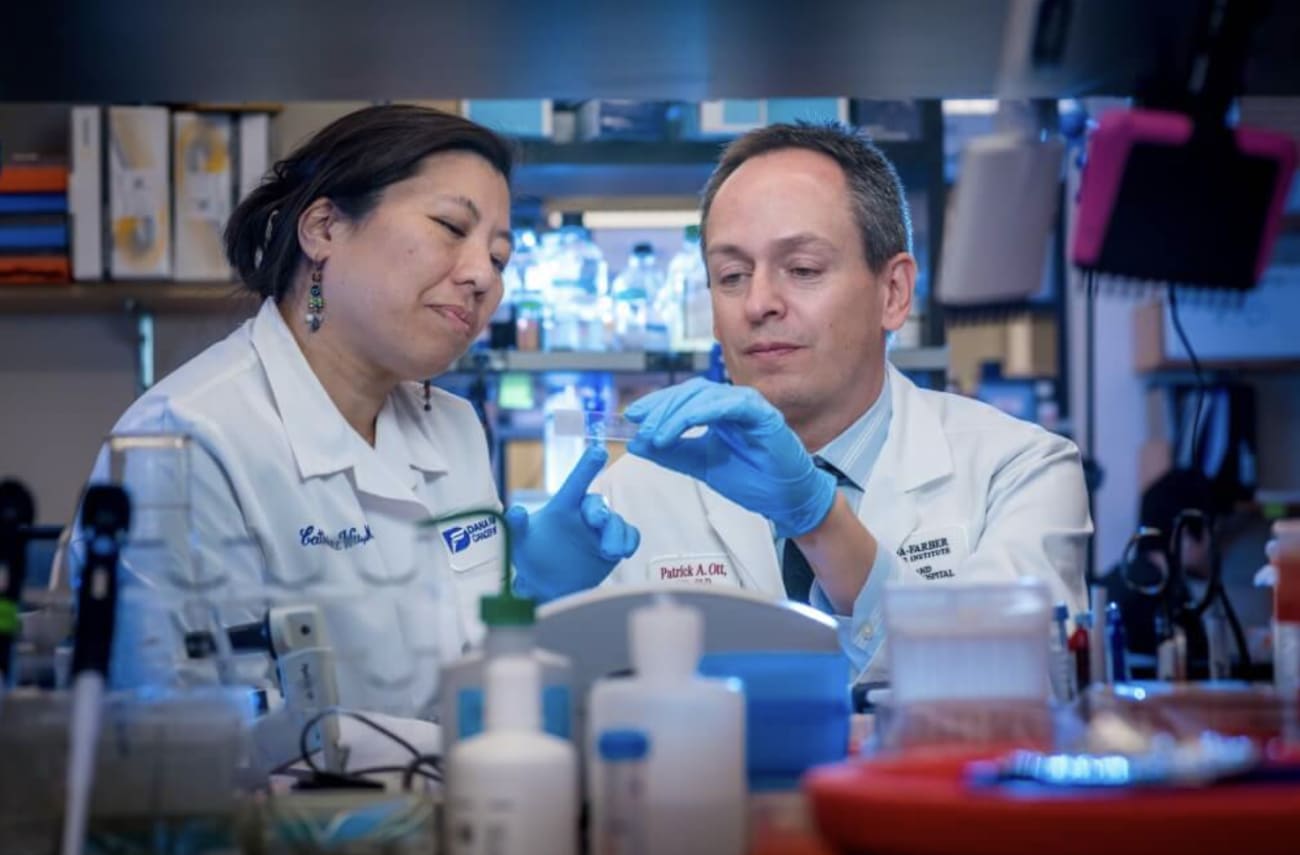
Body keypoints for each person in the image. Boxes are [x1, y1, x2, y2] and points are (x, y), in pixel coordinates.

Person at [78, 105, 638, 716]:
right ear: (323, 228)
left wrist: (530, 594)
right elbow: (195, 741)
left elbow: (466, 680)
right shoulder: (186, 441)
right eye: (452, 226)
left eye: (499, 258)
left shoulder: (454, 428)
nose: (482, 276)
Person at [531, 122, 1091, 681]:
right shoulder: (629, 496)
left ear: (893, 293)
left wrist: (818, 520)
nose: (758, 303)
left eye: (802, 269)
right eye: (732, 275)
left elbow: (1027, 684)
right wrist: (532, 609)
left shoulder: (1018, 469)